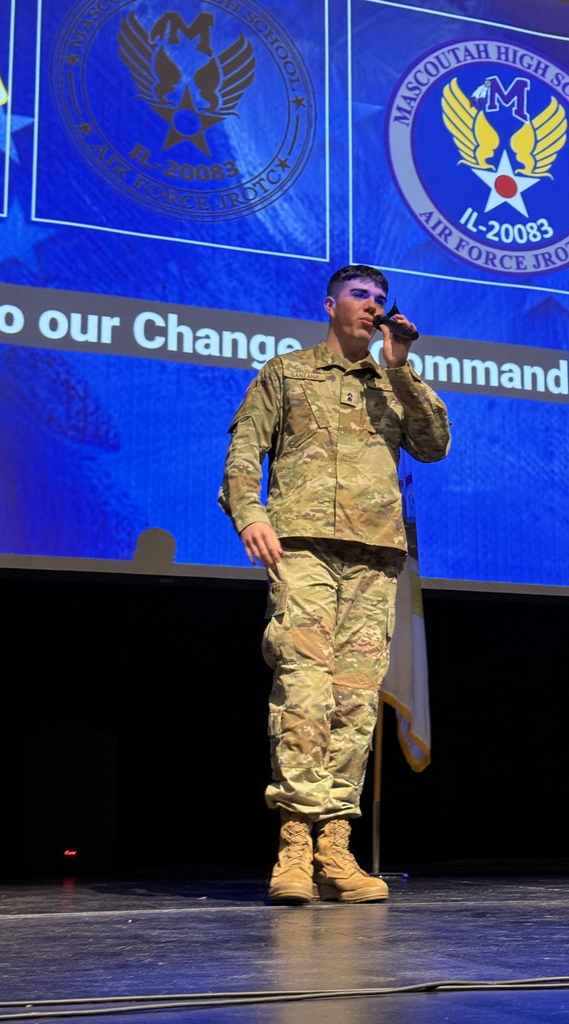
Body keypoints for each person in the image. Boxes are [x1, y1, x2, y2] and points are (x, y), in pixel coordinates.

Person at [218, 264, 450, 902]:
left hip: (375, 556)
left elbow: (434, 445)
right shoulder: (286, 372)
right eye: (359, 295)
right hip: (302, 547)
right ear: (330, 306)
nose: (372, 305)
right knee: (303, 688)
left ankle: (335, 847)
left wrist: (401, 367)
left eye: (380, 298)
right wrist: (250, 514)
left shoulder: (392, 380)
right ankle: (294, 843)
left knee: (354, 702)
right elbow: (244, 451)